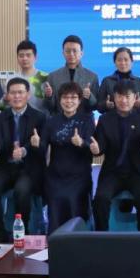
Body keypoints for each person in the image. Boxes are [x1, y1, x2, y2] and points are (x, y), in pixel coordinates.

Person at [0, 77, 47, 241]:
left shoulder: (39, 117)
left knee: (22, 190)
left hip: (28, 168)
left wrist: (26, 149)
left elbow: (42, 147)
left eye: (20, 92)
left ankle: (22, 233)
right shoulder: (0, 117)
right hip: (5, 167)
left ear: (28, 95)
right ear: (7, 96)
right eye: (13, 93)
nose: (17, 96)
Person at [92, 80, 140, 231]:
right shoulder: (105, 119)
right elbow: (100, 148)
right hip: (113, 171)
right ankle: (101, 236)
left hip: (138, 172)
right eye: (120, 96)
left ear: (135, 98)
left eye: (127, 96)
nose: (123, 100)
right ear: (114, 97)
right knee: (101, 198)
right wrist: (96, 150)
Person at [42, 82, 97, 232]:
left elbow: (92, 148)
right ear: (59, 100)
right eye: (65, 97)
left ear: (79, 101)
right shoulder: (51, 121)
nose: (69, 101)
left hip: (79, 175)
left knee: (74, 202)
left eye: (73, 97)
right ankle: (55, 240)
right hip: (56, 175)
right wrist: (35, 144)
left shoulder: (87, 120)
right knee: (55, 203)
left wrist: (82, 143)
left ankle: (76, 240)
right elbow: (42, 147)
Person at [46, 35, 99, 114]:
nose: (71, 54)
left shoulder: (92, 76)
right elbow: (50, 107)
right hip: (60, 119)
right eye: (67, 51)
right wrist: (49, 97)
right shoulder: (53, 76)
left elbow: (95, 106)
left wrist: (89, 96)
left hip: (84, 120)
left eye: (75, 51)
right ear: (63, 53)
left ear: (81, 53)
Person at [1, 40, 52, 112]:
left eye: (28, 55)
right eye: (21, 56)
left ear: (36, 57)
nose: (25, 58)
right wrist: (5, 100)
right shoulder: (10, 80)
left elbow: (53, 105)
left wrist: (49, 96)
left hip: (42, 118)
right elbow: (2, 107)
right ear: (17, 58)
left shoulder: (46, 77)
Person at [97, 47, 140, 113]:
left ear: (132, 61)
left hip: (135, 118)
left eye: (126, 60)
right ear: (115, 62)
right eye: (119, 60)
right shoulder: (106, 81)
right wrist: (106, 105)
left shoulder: (139, 81)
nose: (123, 63)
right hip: (112, 117)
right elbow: (99, 107)